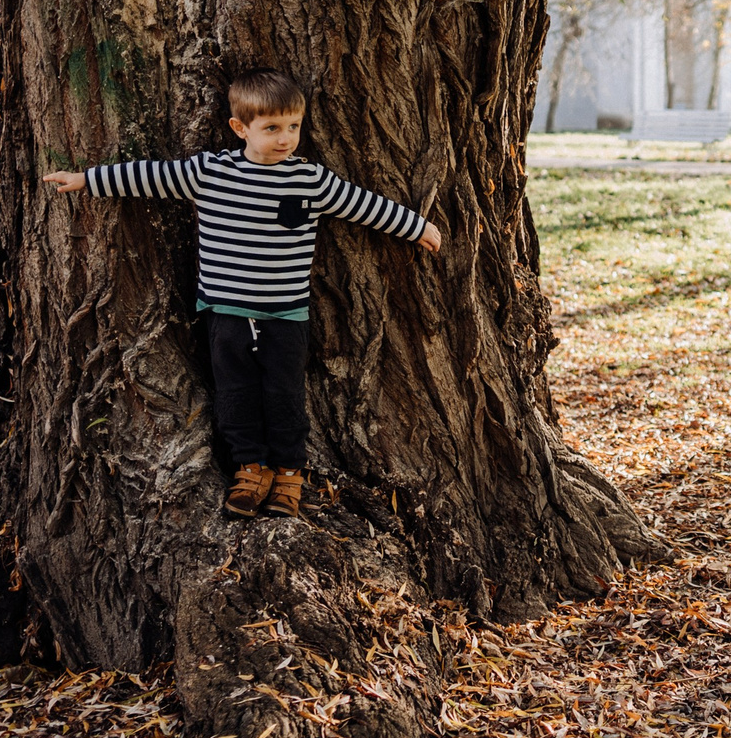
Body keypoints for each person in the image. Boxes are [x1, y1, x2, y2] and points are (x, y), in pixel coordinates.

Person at [42, 68, 443, 519]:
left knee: (285, 395)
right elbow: (150, 176)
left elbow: (363, 204)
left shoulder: (310, 180)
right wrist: (86, 180)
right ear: (241, 128)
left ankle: (289, 472)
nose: (286, 138)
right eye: (272, 128)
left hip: (285, 315)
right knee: (235, 393)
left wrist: (416, 226)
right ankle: (250, 469)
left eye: (293, 126)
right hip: (225, 312)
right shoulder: (211, 172)